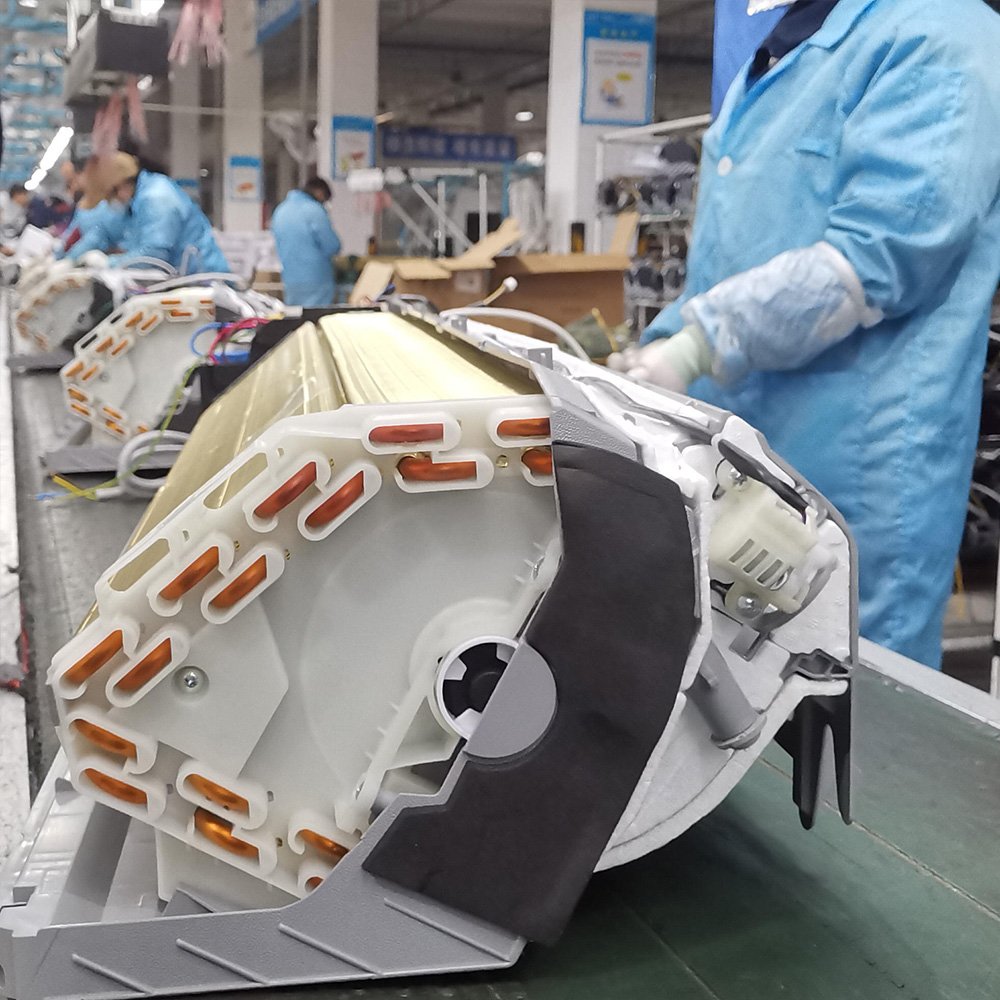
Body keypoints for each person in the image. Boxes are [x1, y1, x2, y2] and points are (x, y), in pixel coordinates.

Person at [611, 0, 1000, 669]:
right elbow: (725, 261)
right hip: (742, 461)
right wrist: (657, 351)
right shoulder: (783, 52)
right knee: (731, 690)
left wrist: (698, 345)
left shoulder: (939, 34)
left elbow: (880, 255)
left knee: (846, 693)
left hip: (854, 476)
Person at [104, 152, 229, 273]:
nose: (116, 199)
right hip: (185, 274)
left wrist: (109, 263)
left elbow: (154, 255)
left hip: (203, 277)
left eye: (113, 193)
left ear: (124, 184)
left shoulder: (157, 198)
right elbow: (137, 243)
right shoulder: (141, 198)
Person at [270, 176, 341, 306]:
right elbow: (332, 245)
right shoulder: (314, 210)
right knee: (316, 316)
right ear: (320, 192)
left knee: (296, 315)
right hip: (316, 279)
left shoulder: (281, 210)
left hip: (290, 279)